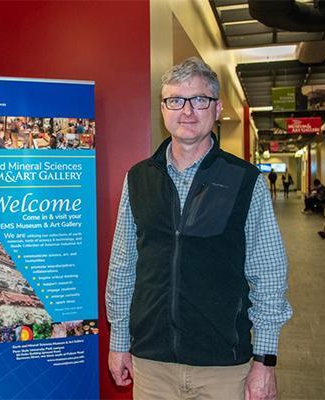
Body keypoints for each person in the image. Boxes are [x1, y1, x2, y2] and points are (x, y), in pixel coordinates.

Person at [105, 57, 292, 400]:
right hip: (151, 364)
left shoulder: (245, 180)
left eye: (199, 100)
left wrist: (264, 361)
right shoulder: (139, 178)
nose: (187, 111)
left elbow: (269, 274)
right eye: (175, 100)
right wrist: (119, 343)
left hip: (223, 367)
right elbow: (123, 268)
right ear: (163, 108)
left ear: (217, 108)